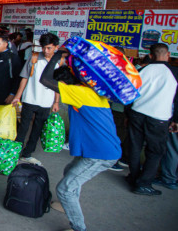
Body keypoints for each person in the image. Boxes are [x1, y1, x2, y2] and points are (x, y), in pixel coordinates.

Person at [39, 48, 121, 231]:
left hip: (101, 154)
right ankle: (67, 202)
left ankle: (79, 228)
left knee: (65, 189)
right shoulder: (90, 91)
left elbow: (45, 79)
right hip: (96, 149)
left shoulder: (78, 93)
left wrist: (57, 57)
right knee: (70, 170)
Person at [127, 43, 178, 195]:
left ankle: (134, 177)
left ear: (150, 55)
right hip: (158, 118)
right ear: (167, 54)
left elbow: (129, 93)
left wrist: (128, 114)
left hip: (137, 113)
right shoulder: (174, 72)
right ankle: (143, 183)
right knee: (155, 151)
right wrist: (175, 119)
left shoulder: (141, 70)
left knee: (135, 147)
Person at [12, 33, 61, 166]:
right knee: (23, 128)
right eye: (44, 47)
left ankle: (27, 154)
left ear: (56, 47)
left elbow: (58, 85)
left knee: (37, 129)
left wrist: (56, 102)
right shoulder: (34, 58)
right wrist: (17, 96)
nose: (46, 51)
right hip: (29, 99)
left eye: (49, 48)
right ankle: (15, 154)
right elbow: (24, 78)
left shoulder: (59, 62)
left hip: (46, 102)